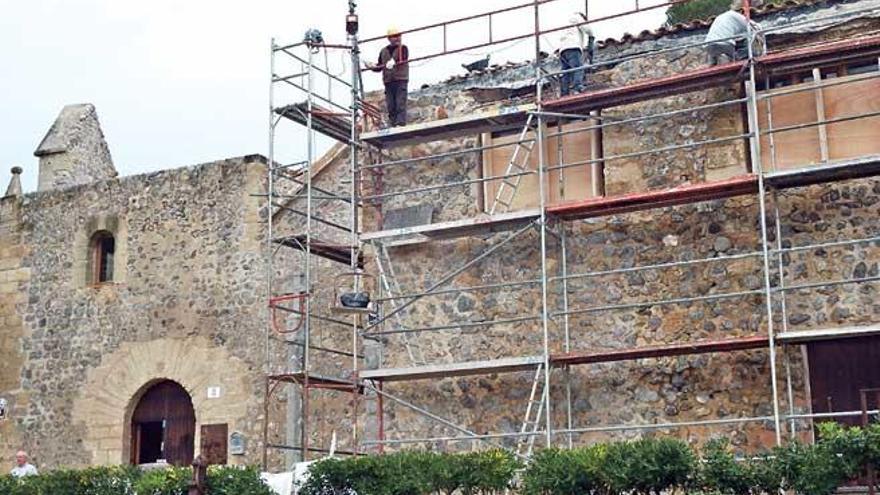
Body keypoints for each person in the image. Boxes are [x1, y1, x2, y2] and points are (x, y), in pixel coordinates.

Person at [367, 27, 410, 127]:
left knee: (400, 102)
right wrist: (371, 67)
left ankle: (400, 122)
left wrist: (393, 62)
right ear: (389, 38)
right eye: (395, 36)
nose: (397, 38)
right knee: (391, 104)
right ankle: (393, 123)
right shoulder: (383, 51)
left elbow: (403, 57)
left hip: (400, 79)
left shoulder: (403, 48)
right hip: (388, 81)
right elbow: (380, 66)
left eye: (398, 36)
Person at [705, 0, 763, 66]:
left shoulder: (723, 16)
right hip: (724, 44)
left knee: (714, 65)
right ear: (741, 10)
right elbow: (753, 26)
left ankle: (714, 62)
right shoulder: (736, 16)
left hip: (709, 45)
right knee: (735, 63)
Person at [558, 13, 593, 97]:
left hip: (563, 49)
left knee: (566, 71)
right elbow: (586, 28)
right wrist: (592, 35)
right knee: (577, 67)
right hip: (573, 47)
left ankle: (564, 92)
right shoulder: (577, 17)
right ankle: (577, 88)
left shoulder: (567, 22)